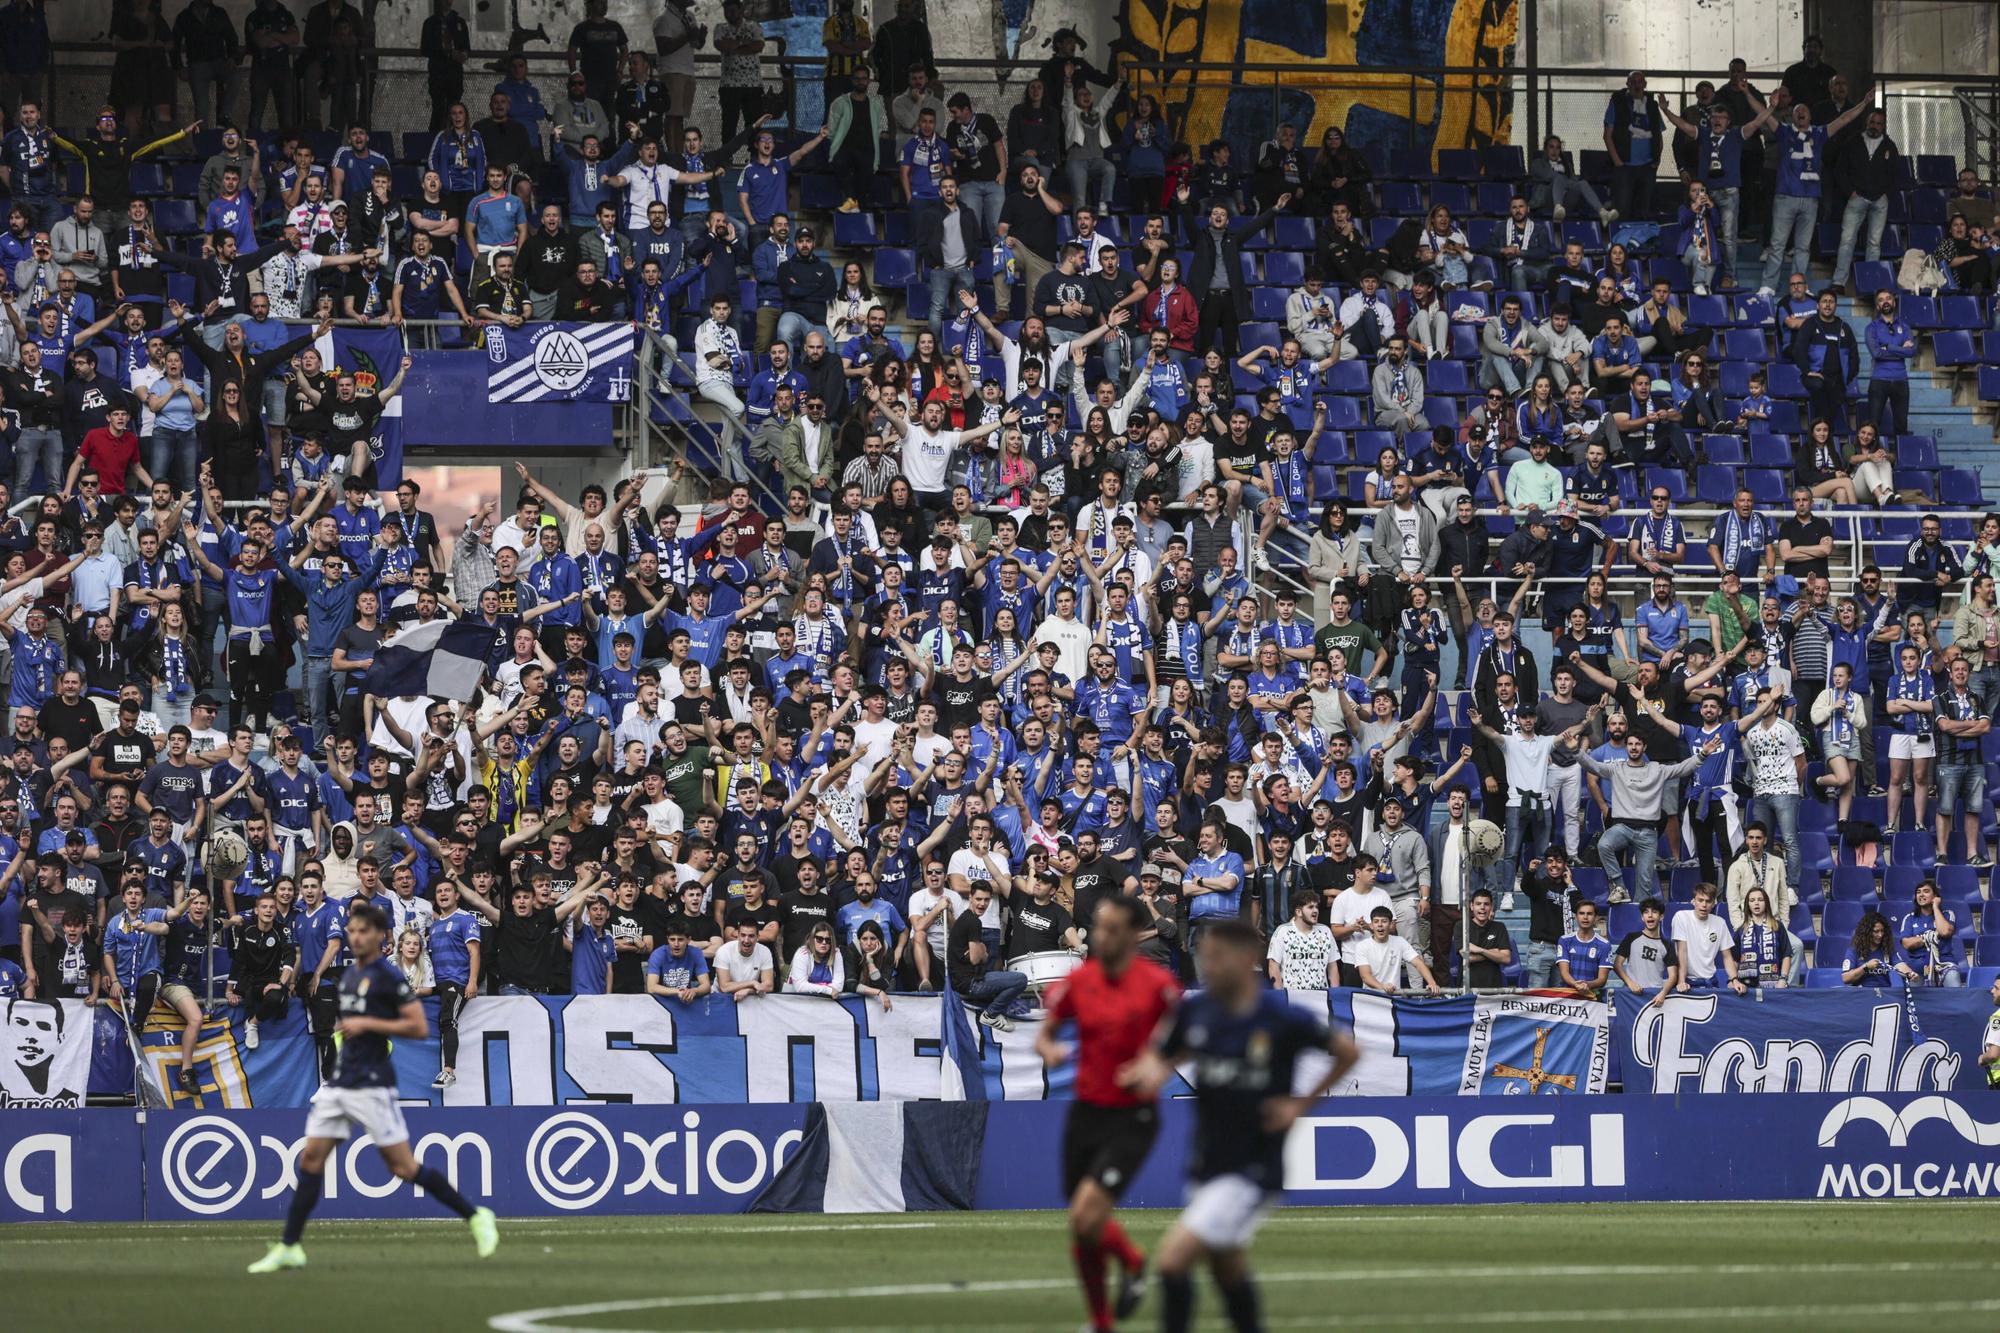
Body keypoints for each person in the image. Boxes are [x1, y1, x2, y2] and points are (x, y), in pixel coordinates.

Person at [1120, 918, 1357, 1333]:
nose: (1206, 967)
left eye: (1216, 958)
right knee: (1226, 1269)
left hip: (1254, 1167)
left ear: (1246, 960)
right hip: (1208, 1161)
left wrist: (1300, 1105)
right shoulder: (1196, 1010)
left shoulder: (1280, 1018)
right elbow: (1162, 1056)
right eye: (1203, 958)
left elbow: (1346, 1052)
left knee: (1173, 1261)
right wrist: (1144, 1074)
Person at [247, 903, 497, 1272]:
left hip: (371, 1086)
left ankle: (476, 1216)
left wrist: (368, 1024)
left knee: (403, 1167)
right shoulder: (348, 977)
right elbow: (350, 1028)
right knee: (311, 1159)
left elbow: (417, 1027)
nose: (356, 936)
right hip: (341, 1084)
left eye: (364, 931)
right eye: (352, 930)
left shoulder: (387, 978)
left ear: (381, 938)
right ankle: (290, 1245)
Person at [1036, 895, 1181, 1333]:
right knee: (1083, 1225)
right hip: (1086, 1113)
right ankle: (1132, 1265)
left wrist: (1157, 1065)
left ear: (1134, 935)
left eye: (1112, 929)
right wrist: (1051, 1049)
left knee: (1085, 1215)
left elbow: (1185, 1036)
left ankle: (1102, 1323)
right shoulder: (1079, 982)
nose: (1102, 936)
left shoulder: (1157, 985)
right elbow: (1045, 1034)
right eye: (1099, 927)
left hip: (1133, 1116)